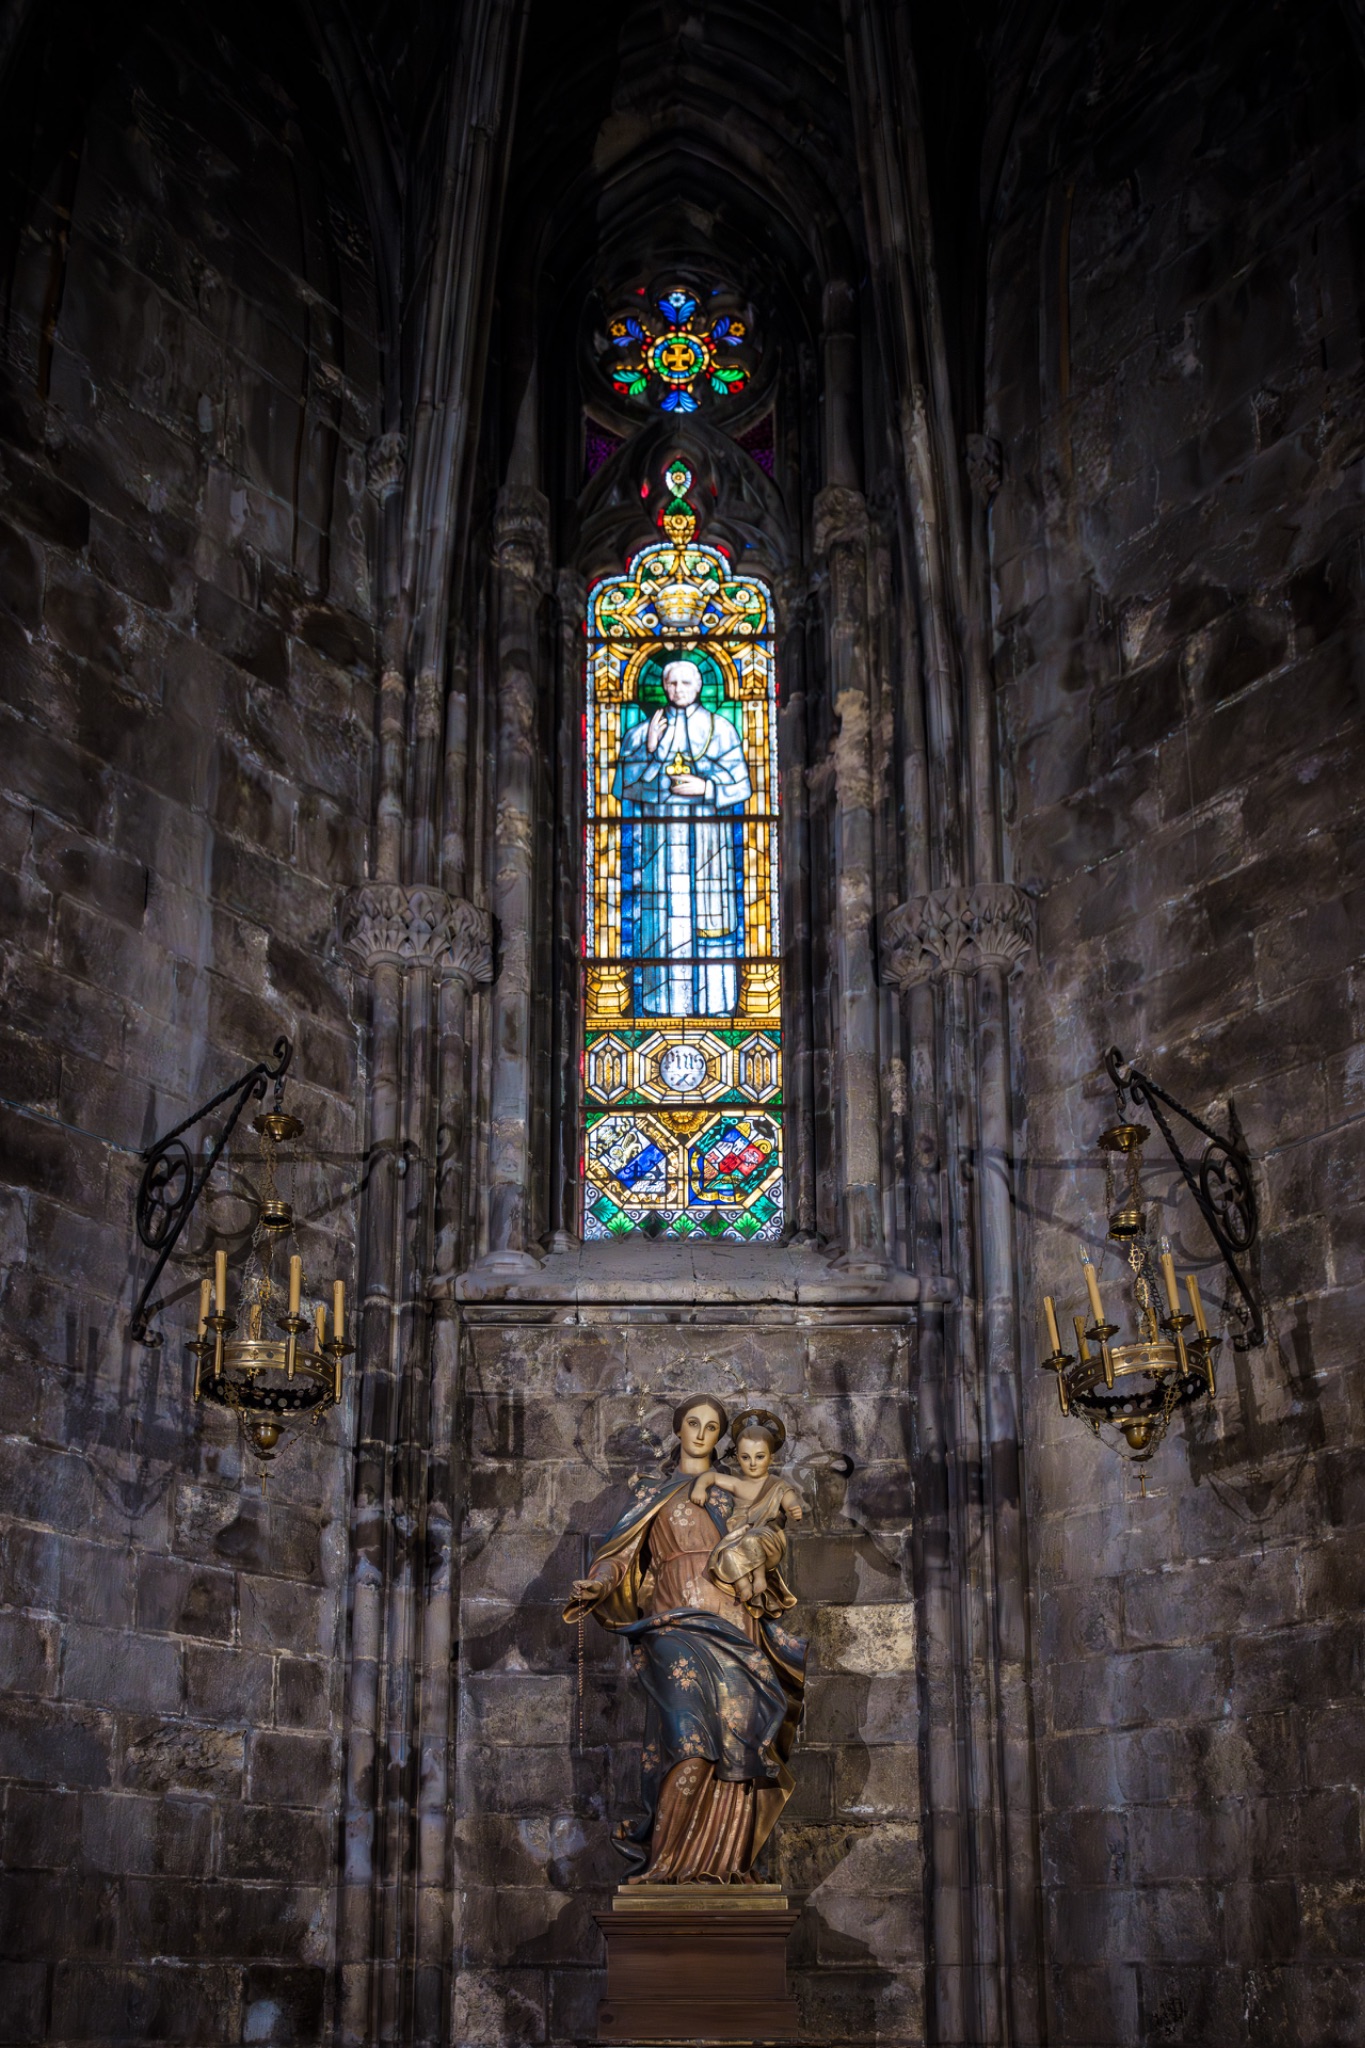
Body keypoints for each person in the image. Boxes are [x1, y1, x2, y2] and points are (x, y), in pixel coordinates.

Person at [564, 1396, 806, 1884]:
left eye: (711, 1427)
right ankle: (667, 1865)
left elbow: (769, 1537)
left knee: (737, 1735)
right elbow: (620, 1553)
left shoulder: (734, 1491)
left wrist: (767, 1541)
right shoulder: (652, 1491)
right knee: (688, 1740)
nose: (700, 1433)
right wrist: (599, 1583)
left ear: (721, 1437)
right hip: (672, 1623)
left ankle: (726, 1864)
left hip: (735, 1624)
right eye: (693, 1423)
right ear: (678, 1429)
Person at [611, 659, 750, 1016]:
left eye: (686, 683)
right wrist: (651, 750)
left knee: (711, 919)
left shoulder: (722, 730)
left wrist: (706, 788)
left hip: (708, 839)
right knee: (661, 917)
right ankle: (661, 1003)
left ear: (699, 686)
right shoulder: (642, 733)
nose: (679, 690)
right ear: (664, 686)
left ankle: (715, 1004)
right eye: (672, 683)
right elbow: (624, 787)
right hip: (659, 842)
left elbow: (742, 786)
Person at [689, 1409, 803, 1616]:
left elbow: (789, 1498)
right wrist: (699, 1487)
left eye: (759, 1457)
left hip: (768, 1540)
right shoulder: (737, 1483)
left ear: (771, 1458)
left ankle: (759, 1578)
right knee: (725, 1554)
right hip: (738, 1537)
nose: (752, 1464)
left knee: (751, 1539)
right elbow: (710, 1477)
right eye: (745, 1457)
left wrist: (793, 1508)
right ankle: (743, 1586)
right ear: (737, 1458)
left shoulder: (776, 1484)